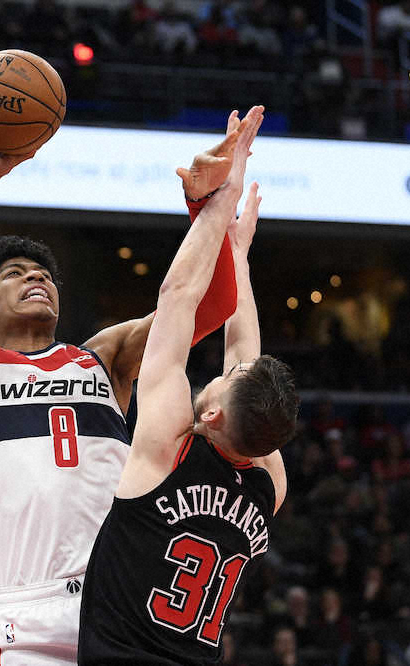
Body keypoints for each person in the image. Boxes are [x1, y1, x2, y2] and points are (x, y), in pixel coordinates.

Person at [0, 100, 252, 663]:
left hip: (124, 598)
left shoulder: (103, 358)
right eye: (14, 274)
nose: (35, 277)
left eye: (43, 274)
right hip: (31, 613)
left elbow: (211, 305)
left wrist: (206, 207)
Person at [79, 106, 299, 663]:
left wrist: (219, 203)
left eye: (228, 380)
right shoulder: (269, 484)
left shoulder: (168, 449)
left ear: (214, 416)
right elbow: (244, 354)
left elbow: (177, 298)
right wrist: (236, 253)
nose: (225, 370)